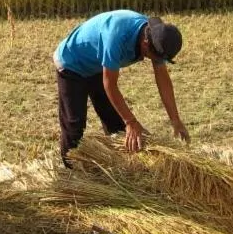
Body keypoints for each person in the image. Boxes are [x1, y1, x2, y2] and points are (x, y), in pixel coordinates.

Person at [53, 10, 189, 166]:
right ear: (145, 44)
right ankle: (69, 174)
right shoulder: (116, 36)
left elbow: (163, 79)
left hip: (97, 65)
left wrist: (175, 120)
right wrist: (131, 121)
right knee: (74, 125)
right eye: (157, 58)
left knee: (115, 121)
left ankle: (120, 166)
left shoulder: (156, 38)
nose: (158, 62)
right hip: (72, 63)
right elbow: (109, 84)